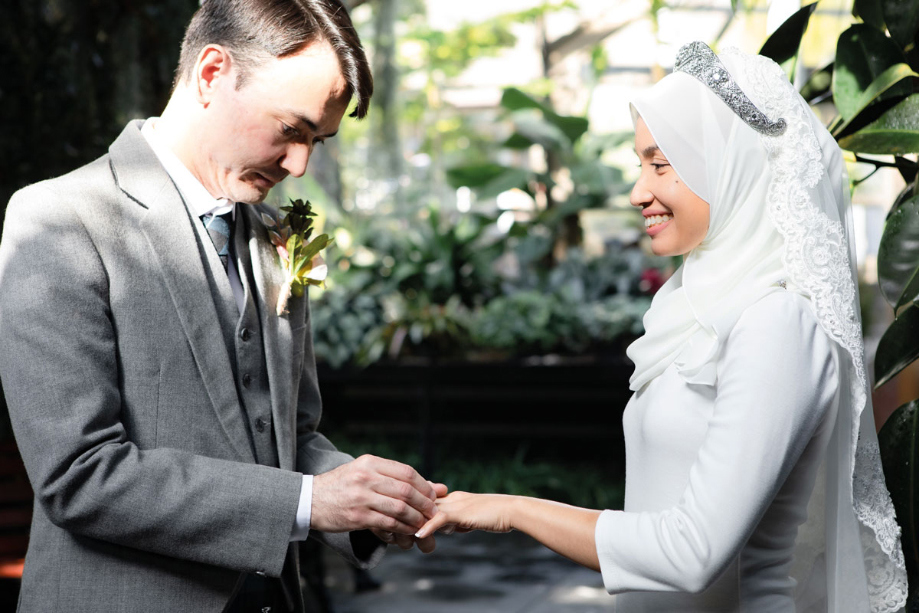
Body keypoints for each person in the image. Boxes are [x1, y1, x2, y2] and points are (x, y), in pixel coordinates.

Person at [417, 42, 908, 612]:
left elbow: (693, 551)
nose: (637, 191)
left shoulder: (779, 323)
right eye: (639, 163)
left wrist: (511, 509)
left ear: (728, 165)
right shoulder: (696, 303)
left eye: (660, 163)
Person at [0, 1, 445, 611]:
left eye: (317, 140)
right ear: (212, 73)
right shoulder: (58, 219)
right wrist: (312, 503)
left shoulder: (274, 236)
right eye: (291, 129)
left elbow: (292, 435)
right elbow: (79, 475)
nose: (300, 165)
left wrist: (367, 498)